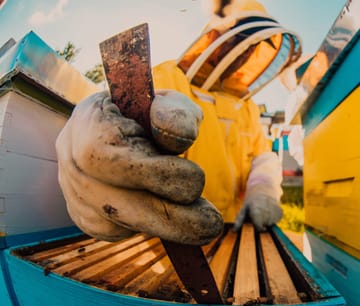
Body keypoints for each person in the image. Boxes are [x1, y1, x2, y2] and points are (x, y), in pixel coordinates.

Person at [55, 0, 302, 245]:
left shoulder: (247, 107)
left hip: (234, 231)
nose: (245, 54)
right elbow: (120, 127)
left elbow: (261, 156)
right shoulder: (167, 77)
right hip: (166, 236)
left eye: (254, 49)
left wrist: (263, 189)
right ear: (215, 36)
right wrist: (94, 144)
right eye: (241, 42)